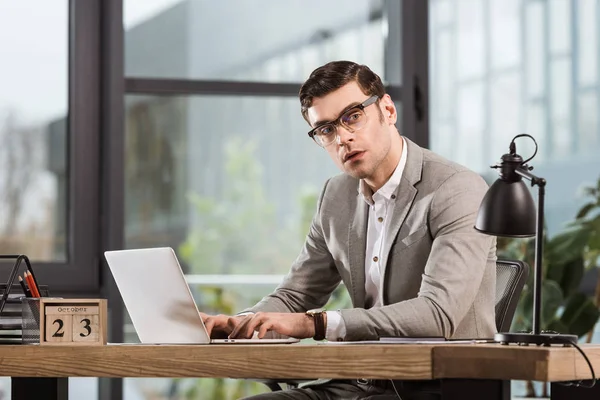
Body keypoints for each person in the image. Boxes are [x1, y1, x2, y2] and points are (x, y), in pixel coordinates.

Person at [200, 60, 497, 400]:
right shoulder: (335, 196)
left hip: (439, 387)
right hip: (364, 382)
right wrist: (242, 324)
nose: (342, 137)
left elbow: (438, 313)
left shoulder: (457, 189)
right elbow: (296, 295)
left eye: (352, 116)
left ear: (387, 109)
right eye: (326, 129)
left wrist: (318, 324)